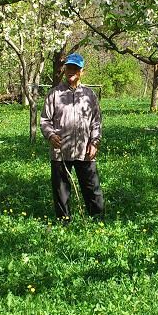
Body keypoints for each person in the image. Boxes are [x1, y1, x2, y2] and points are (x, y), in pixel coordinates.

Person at [40, 52, 104, 222]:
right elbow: (45, 120)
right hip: (60, 150)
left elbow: (96, 121)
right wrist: (50, 134)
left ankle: (97, 217)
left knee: (91, 186)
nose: (71, 71)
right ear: (65, 69)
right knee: (60, 189)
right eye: (69, 68)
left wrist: (95, 142)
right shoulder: (54, 94)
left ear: (81, 71)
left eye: (75, 68)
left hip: (85, 150)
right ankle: (64, 220)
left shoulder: (89, 96)